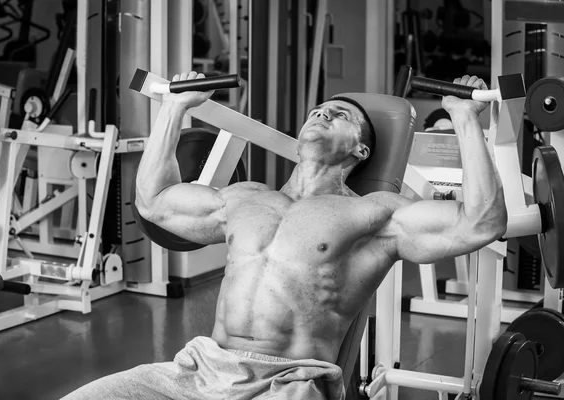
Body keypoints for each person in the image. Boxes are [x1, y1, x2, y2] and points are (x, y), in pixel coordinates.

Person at [63, 73, 507, 400]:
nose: (323, 112)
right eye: (318, 110)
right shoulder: (244, 199)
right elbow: (153, 202)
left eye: (341, 116)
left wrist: (465, 118)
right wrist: (175, 108)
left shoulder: (374, 213)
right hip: (199, 371)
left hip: (287, 383)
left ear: (361, 150)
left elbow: (482, 223)